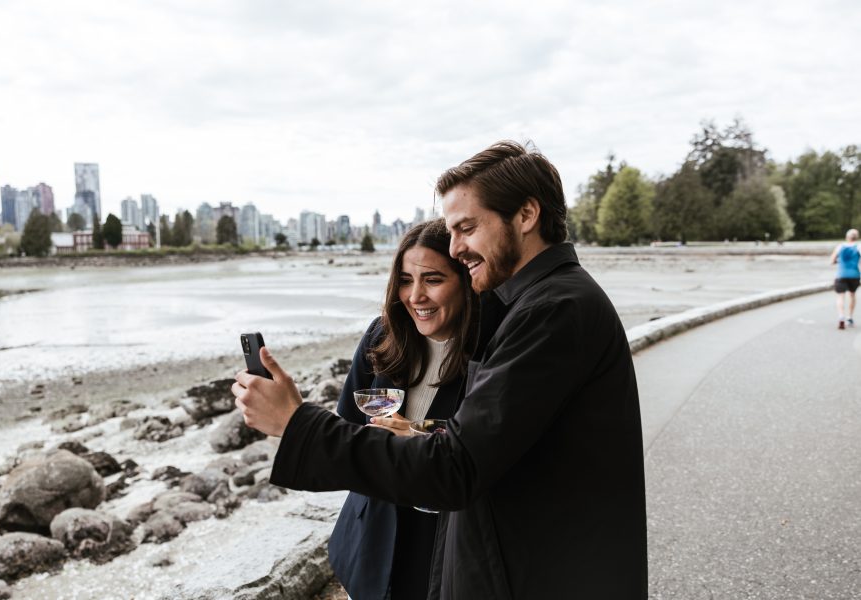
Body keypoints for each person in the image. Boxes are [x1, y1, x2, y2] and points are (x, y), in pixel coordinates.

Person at [233, 140, 648, 599]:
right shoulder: (533, 304)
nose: (456, 247)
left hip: (545, 572)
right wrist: (420, 434)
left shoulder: (552, 310)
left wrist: (296, 424)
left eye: (467, 228)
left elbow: (458, 468)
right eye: (451, 231)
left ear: (527, 215)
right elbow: (488, 441)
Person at [329, 219, 477, 600]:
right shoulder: (381, 335)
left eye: (432, 279)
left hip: (439, 545)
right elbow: (347, 425)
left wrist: (415, 437)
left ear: (466, 280)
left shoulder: (487, 356)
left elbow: (480, 458)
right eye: (406, 280)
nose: (415, 296)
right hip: (369, 537)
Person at [830, 228, 860, 329]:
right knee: (852, 295)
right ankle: (850, 317)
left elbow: (832, 260)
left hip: (841, 274)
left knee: (840, 296)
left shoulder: (840, 247)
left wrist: (837, 262)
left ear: (847, 237)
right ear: (857, 237)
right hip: (854, 275)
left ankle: (841, 316)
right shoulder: (859, 246)